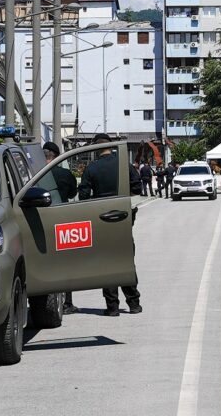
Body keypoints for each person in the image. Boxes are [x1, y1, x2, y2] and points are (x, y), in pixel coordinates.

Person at [78, 133, 142, 316]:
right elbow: (137, 187)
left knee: (106, 262)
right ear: (111, 146)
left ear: (96, 148)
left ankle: (112, 307)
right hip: (123, 218)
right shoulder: (124, 165)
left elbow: (83, 195)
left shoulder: (91, 168)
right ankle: (134, 303)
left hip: (101, 219)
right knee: (126, 260)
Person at [43, 141, 79, 311]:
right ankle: (68, 302)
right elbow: (73, 193)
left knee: (44, 261)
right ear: (57, 156)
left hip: (41, 221)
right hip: (63, 220)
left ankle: (43, 302)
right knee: (67, 262)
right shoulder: (65, 174)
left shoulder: (35, 175)